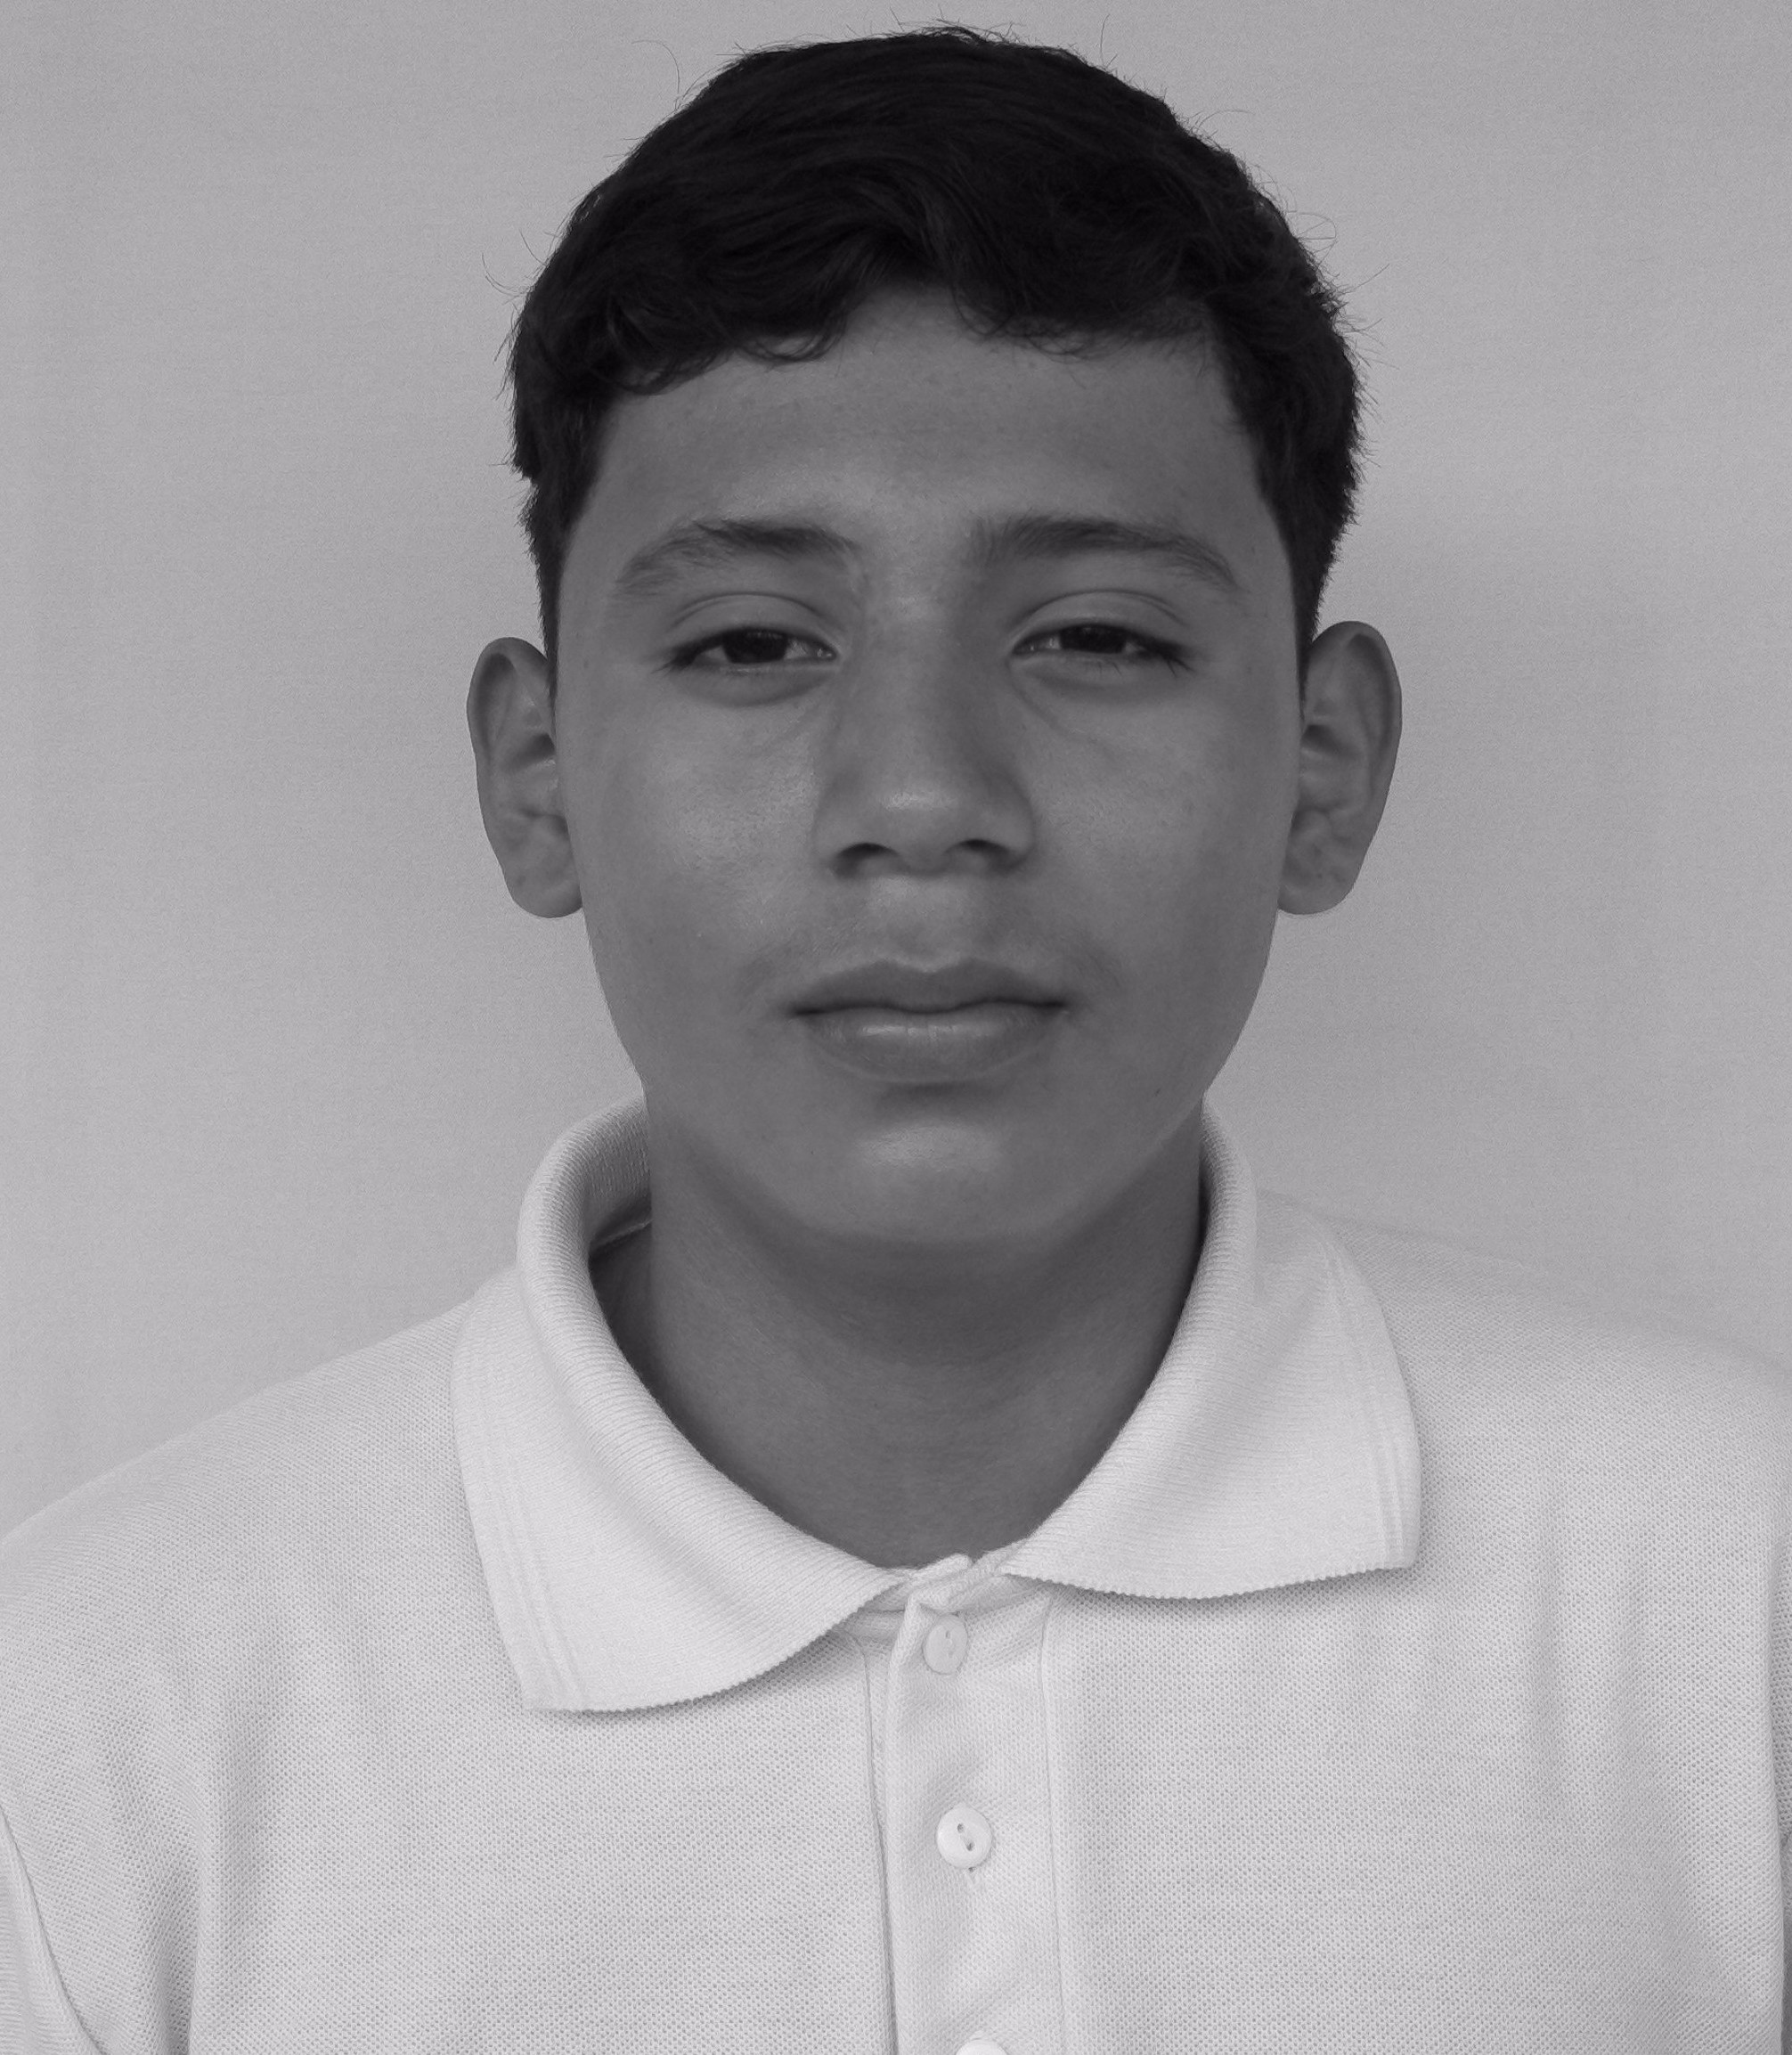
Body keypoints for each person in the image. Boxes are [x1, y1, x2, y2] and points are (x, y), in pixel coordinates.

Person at [4, 21, 1788, 2052]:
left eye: (1094, 635)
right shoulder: (97, 1726)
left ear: (1322, 765)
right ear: (537, 774)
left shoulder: (1731, 1608)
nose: (924, 796)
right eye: (753, 643)